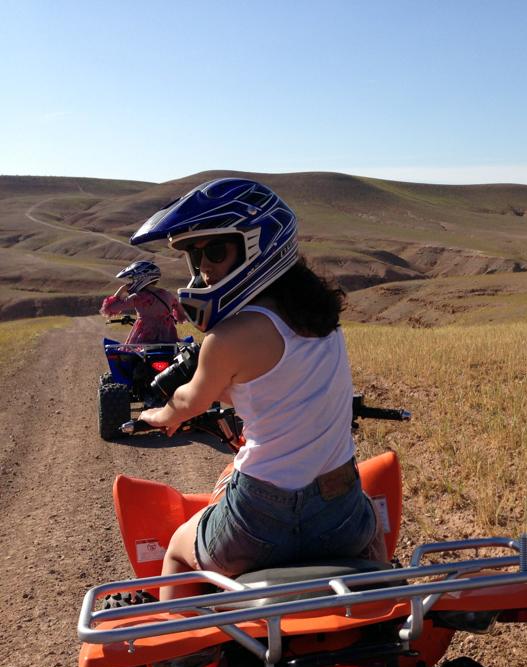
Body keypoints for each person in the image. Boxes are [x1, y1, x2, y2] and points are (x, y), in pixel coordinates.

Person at [133, 178, 385, 600]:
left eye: (215, 250)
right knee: (372, 537)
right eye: (195, 256)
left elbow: (190, 400)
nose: (204, 267)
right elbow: (271, 385)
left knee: (177, 548)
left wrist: (159, 415)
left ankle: (186, 654)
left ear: (258, 245)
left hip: (258, 518)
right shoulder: (323, 323)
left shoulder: (228, 337)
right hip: (339, 510)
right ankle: (384, 618)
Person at [100, 261, 188, 344]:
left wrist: (122, 289)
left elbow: (108, 309)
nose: (132, 282)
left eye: (133, 279)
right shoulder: (168, 295)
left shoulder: (138, 297)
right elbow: (181, 316)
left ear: (141, 278)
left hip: (144, 340)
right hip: (168, 338)